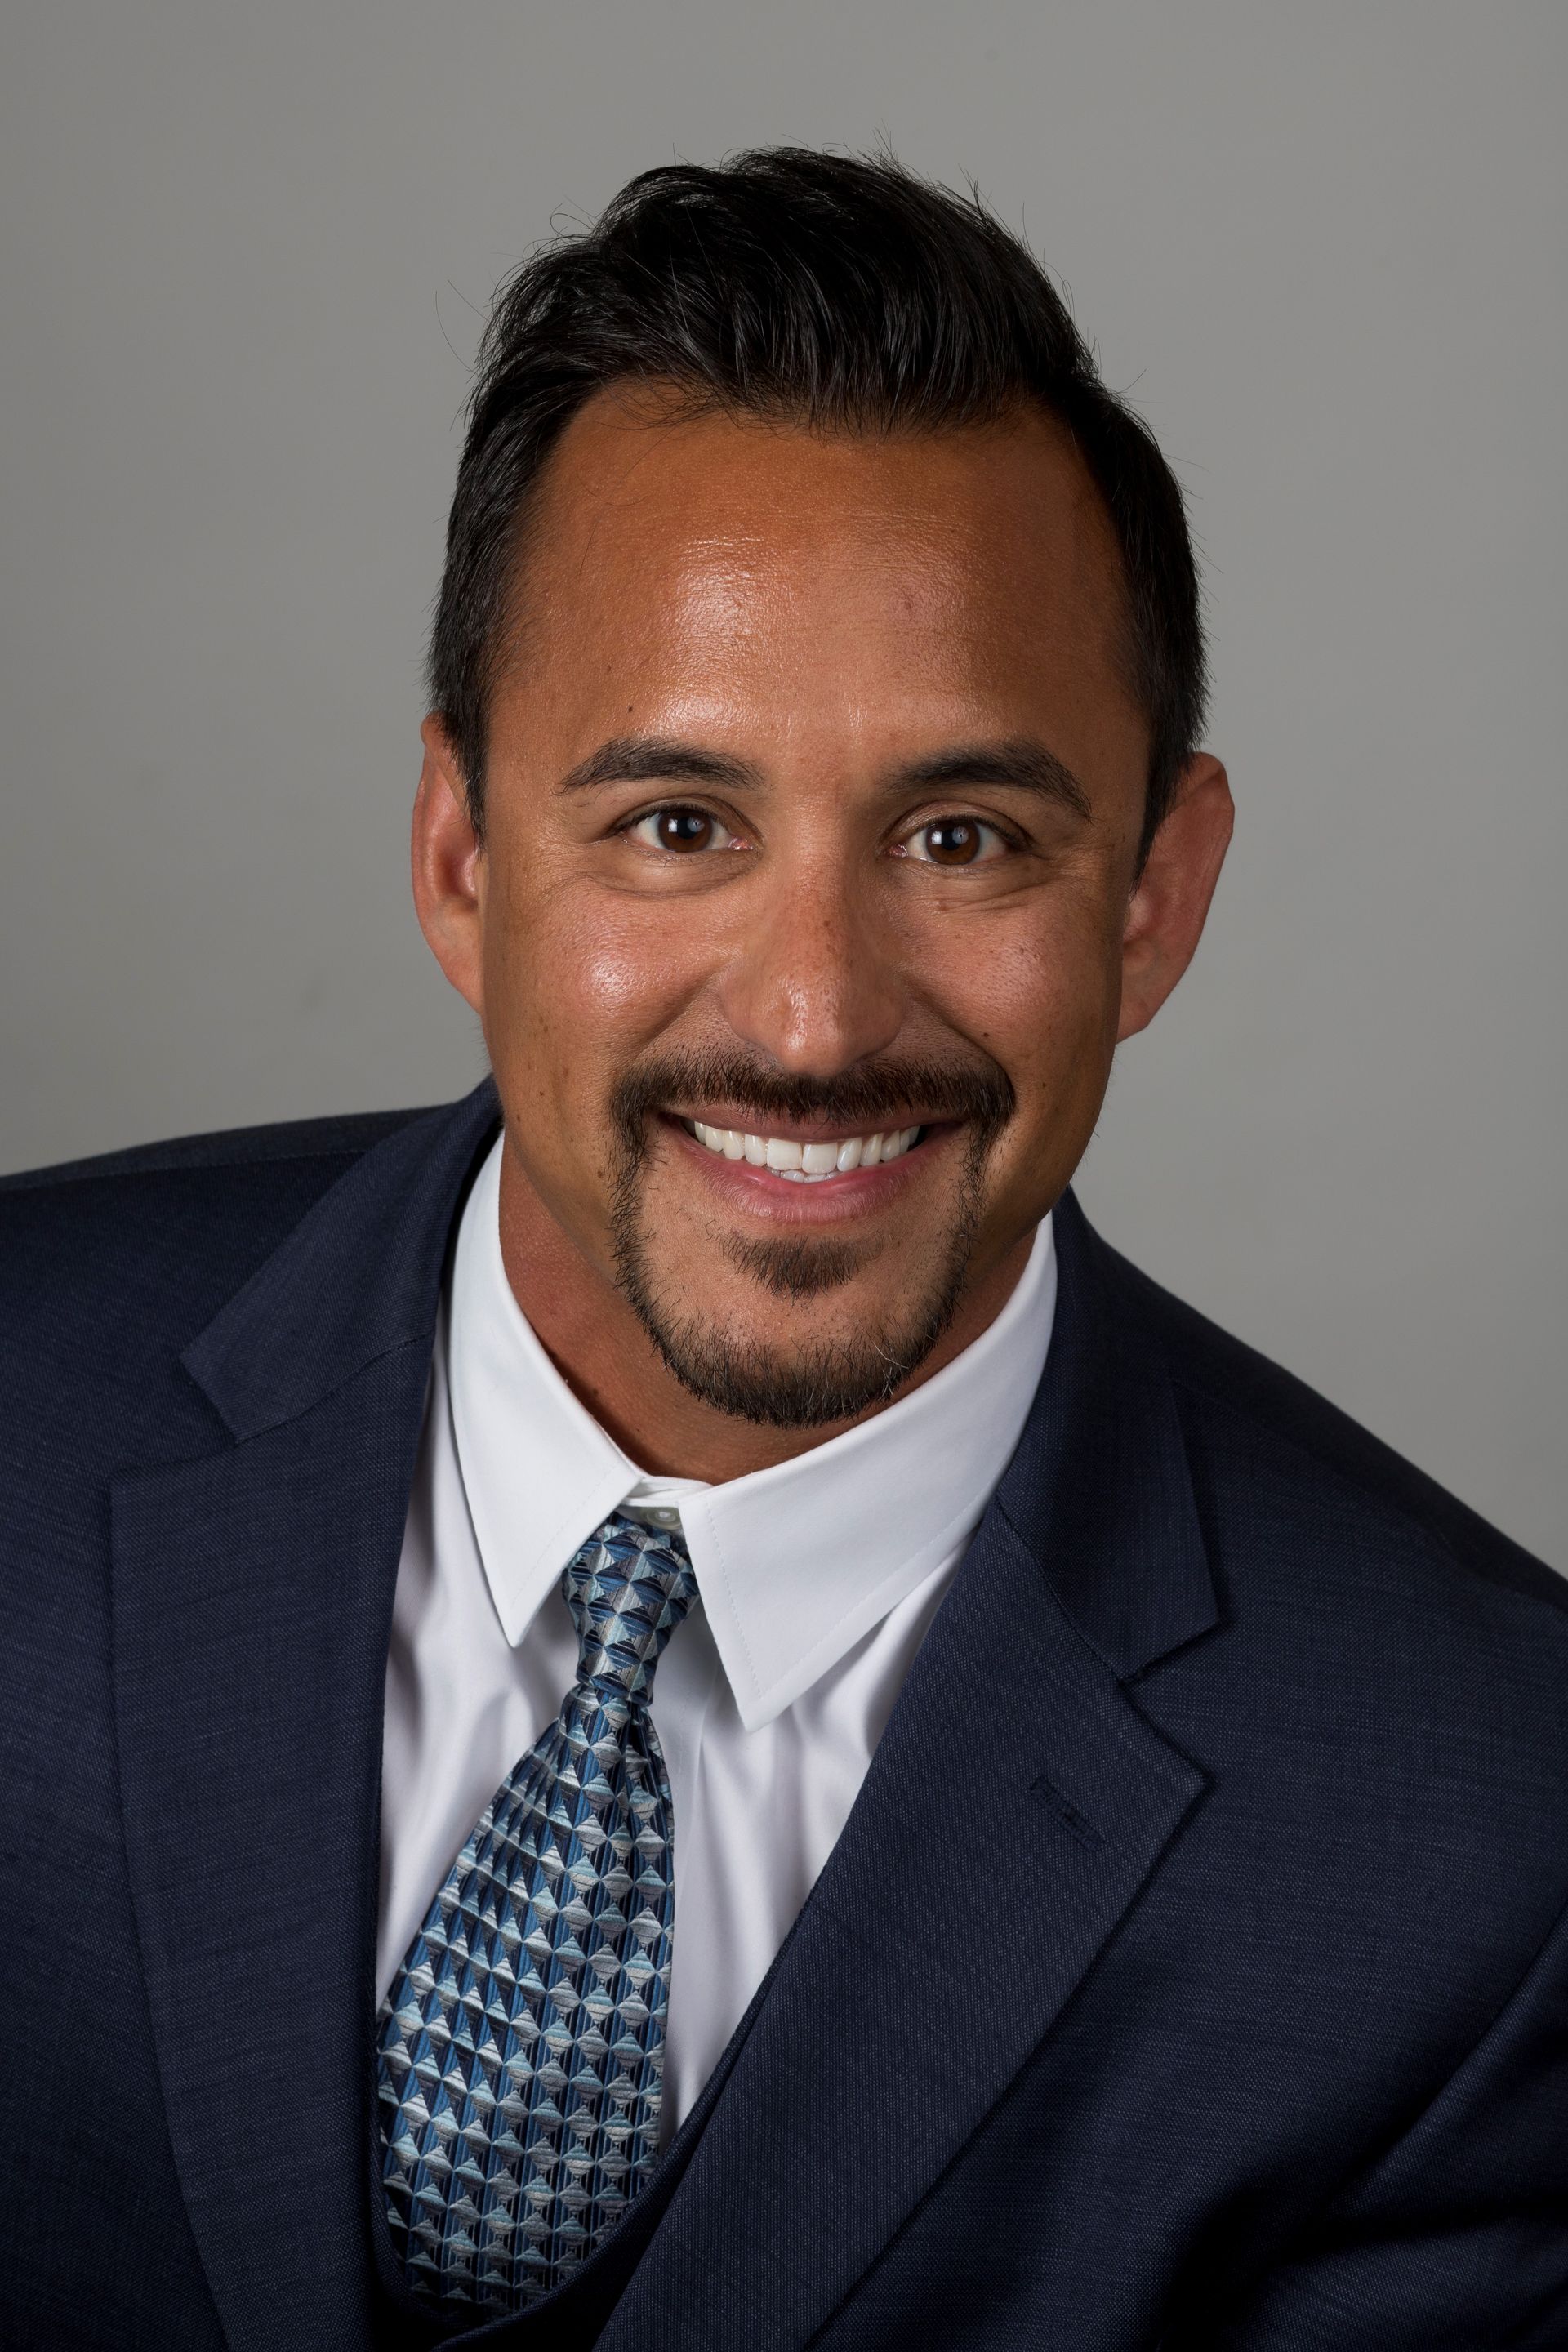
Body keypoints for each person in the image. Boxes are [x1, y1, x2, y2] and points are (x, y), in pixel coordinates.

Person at [2, 147, 1565, 2352]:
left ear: (1154, 898)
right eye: (677, 824)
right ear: (460, 858)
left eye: (963, 837)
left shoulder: (1489, 1839)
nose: (816, 1022)